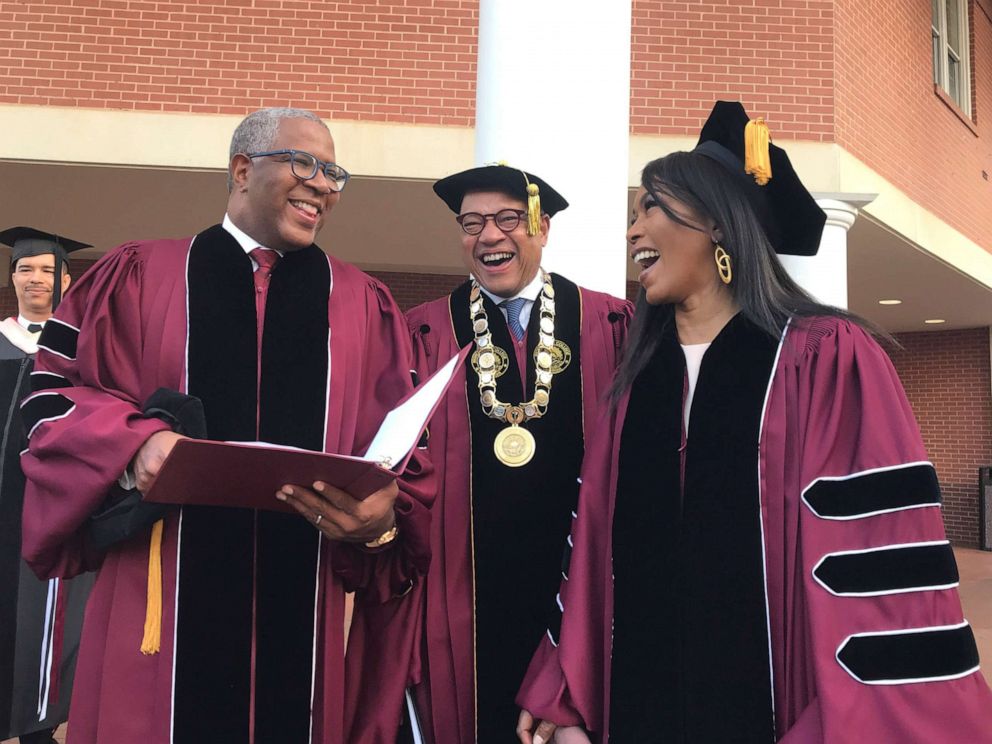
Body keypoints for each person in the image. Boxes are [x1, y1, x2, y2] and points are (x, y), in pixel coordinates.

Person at [516, 101, 992, 743]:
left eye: (650, 207)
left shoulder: (826, 360)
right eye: (634, 215)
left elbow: (882, 570)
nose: (633, 232)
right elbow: (593, 545)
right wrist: (567, 700)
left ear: (715, 221)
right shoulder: (635, 385)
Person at [18, 107, 434, 744]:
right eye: (304, 163)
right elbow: (50, 397)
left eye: (333, 172)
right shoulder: (137, 277)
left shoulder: (362, 303)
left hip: (304, 600)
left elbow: (406, 449)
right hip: (161, 594)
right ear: (242, 169)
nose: (323, 185)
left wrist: (383, 516)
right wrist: (135, 446)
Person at [346, 164, 632, 743]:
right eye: (471, 223)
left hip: (578, 588)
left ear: (542, 228)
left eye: (507, 219)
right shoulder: (421, 332)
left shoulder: (611, 323)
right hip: (459, 597)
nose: (489, 236)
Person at [0, 228, 93, 744]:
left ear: (66, 279)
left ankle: (41, 727)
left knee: (50, 621)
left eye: (46, 270)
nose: (36, 279)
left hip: (53, 512)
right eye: (25, 268)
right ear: (12, 276)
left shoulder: (81, 351)